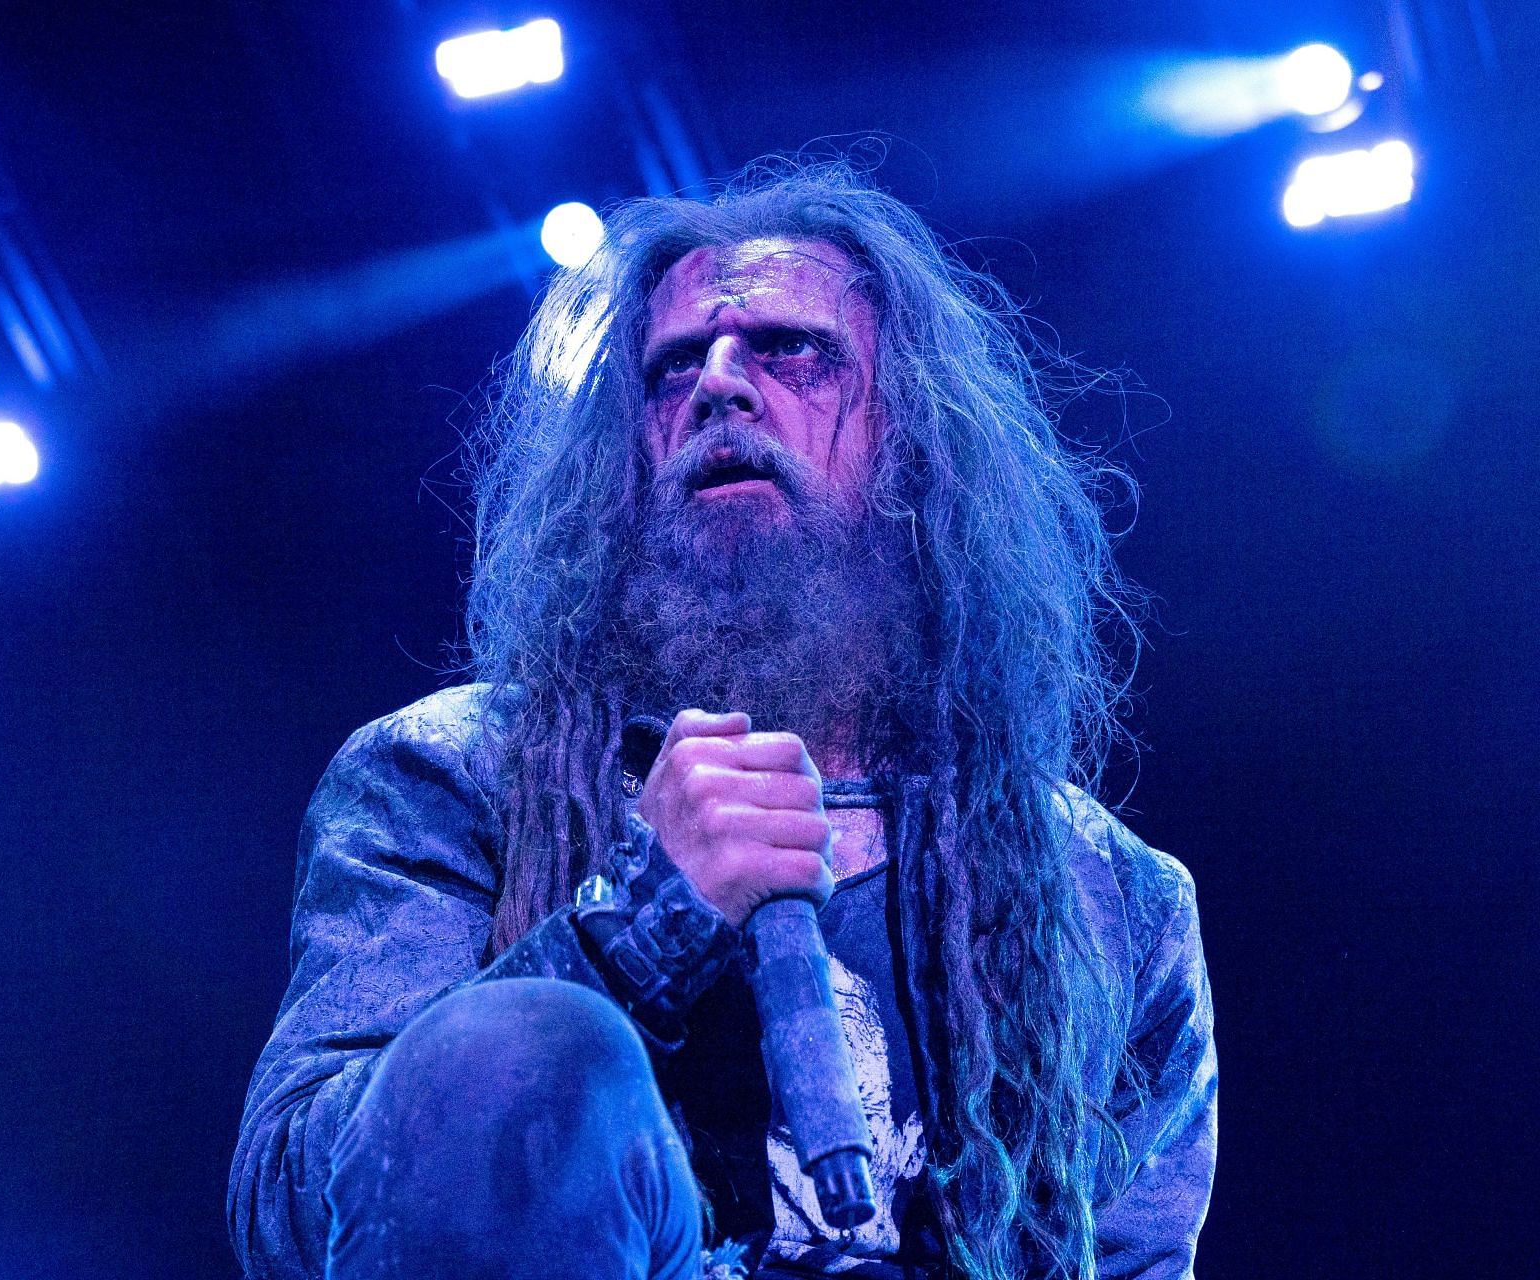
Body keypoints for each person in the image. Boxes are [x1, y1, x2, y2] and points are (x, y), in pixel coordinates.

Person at [228, 162, 1217, 1280]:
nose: (719, 387)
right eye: (668, 370)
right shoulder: (455, 773)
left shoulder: (1107, 887)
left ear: (916, 438)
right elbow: (292, 1205)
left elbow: (1138, 1259)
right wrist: (643, 921)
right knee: (507, 1045)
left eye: (793, 350)